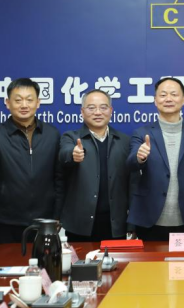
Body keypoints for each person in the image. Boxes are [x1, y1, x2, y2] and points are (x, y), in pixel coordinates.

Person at [0, 78, 63, 247]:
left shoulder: (52, 134)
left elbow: (59, 177)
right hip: (5, 222)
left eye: (29, 99)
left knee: (42, 264)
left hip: (43, 221)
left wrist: (56, 215)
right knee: (5, 264)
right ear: (7, 103)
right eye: (18, 100)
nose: (24, 105)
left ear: (38, 102)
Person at [126, 77, 184, 241]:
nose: (168, 99)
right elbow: (131, 164)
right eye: (163, 95)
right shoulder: (141, 133)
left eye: (174, 94)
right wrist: (139, 157)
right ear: (155, 100)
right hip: (149, 220)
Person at [57, 89, 134, 242]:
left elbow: (132, 184)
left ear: (111, 110)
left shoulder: (124, 141)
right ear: (82, 111)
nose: (98, 112)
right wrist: (73, 155)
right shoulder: (71, 137)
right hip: (80, 225)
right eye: (91, 108)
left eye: (103, 107)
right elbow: (64, 154)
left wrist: (132, 224)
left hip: (115, 224)